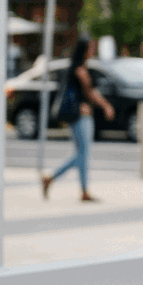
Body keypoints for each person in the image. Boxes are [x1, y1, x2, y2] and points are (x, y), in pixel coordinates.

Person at [41, 38, 114, 202]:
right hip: (80, 115)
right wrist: (106, 106)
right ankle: (53, 179)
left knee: (82, 154)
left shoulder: (77, 67)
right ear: (84, 50)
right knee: (82, 155)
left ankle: (82, 190)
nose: (93, 51)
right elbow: (89, 92)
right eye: (91, 48)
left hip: (80, 115)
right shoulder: (79, 69)